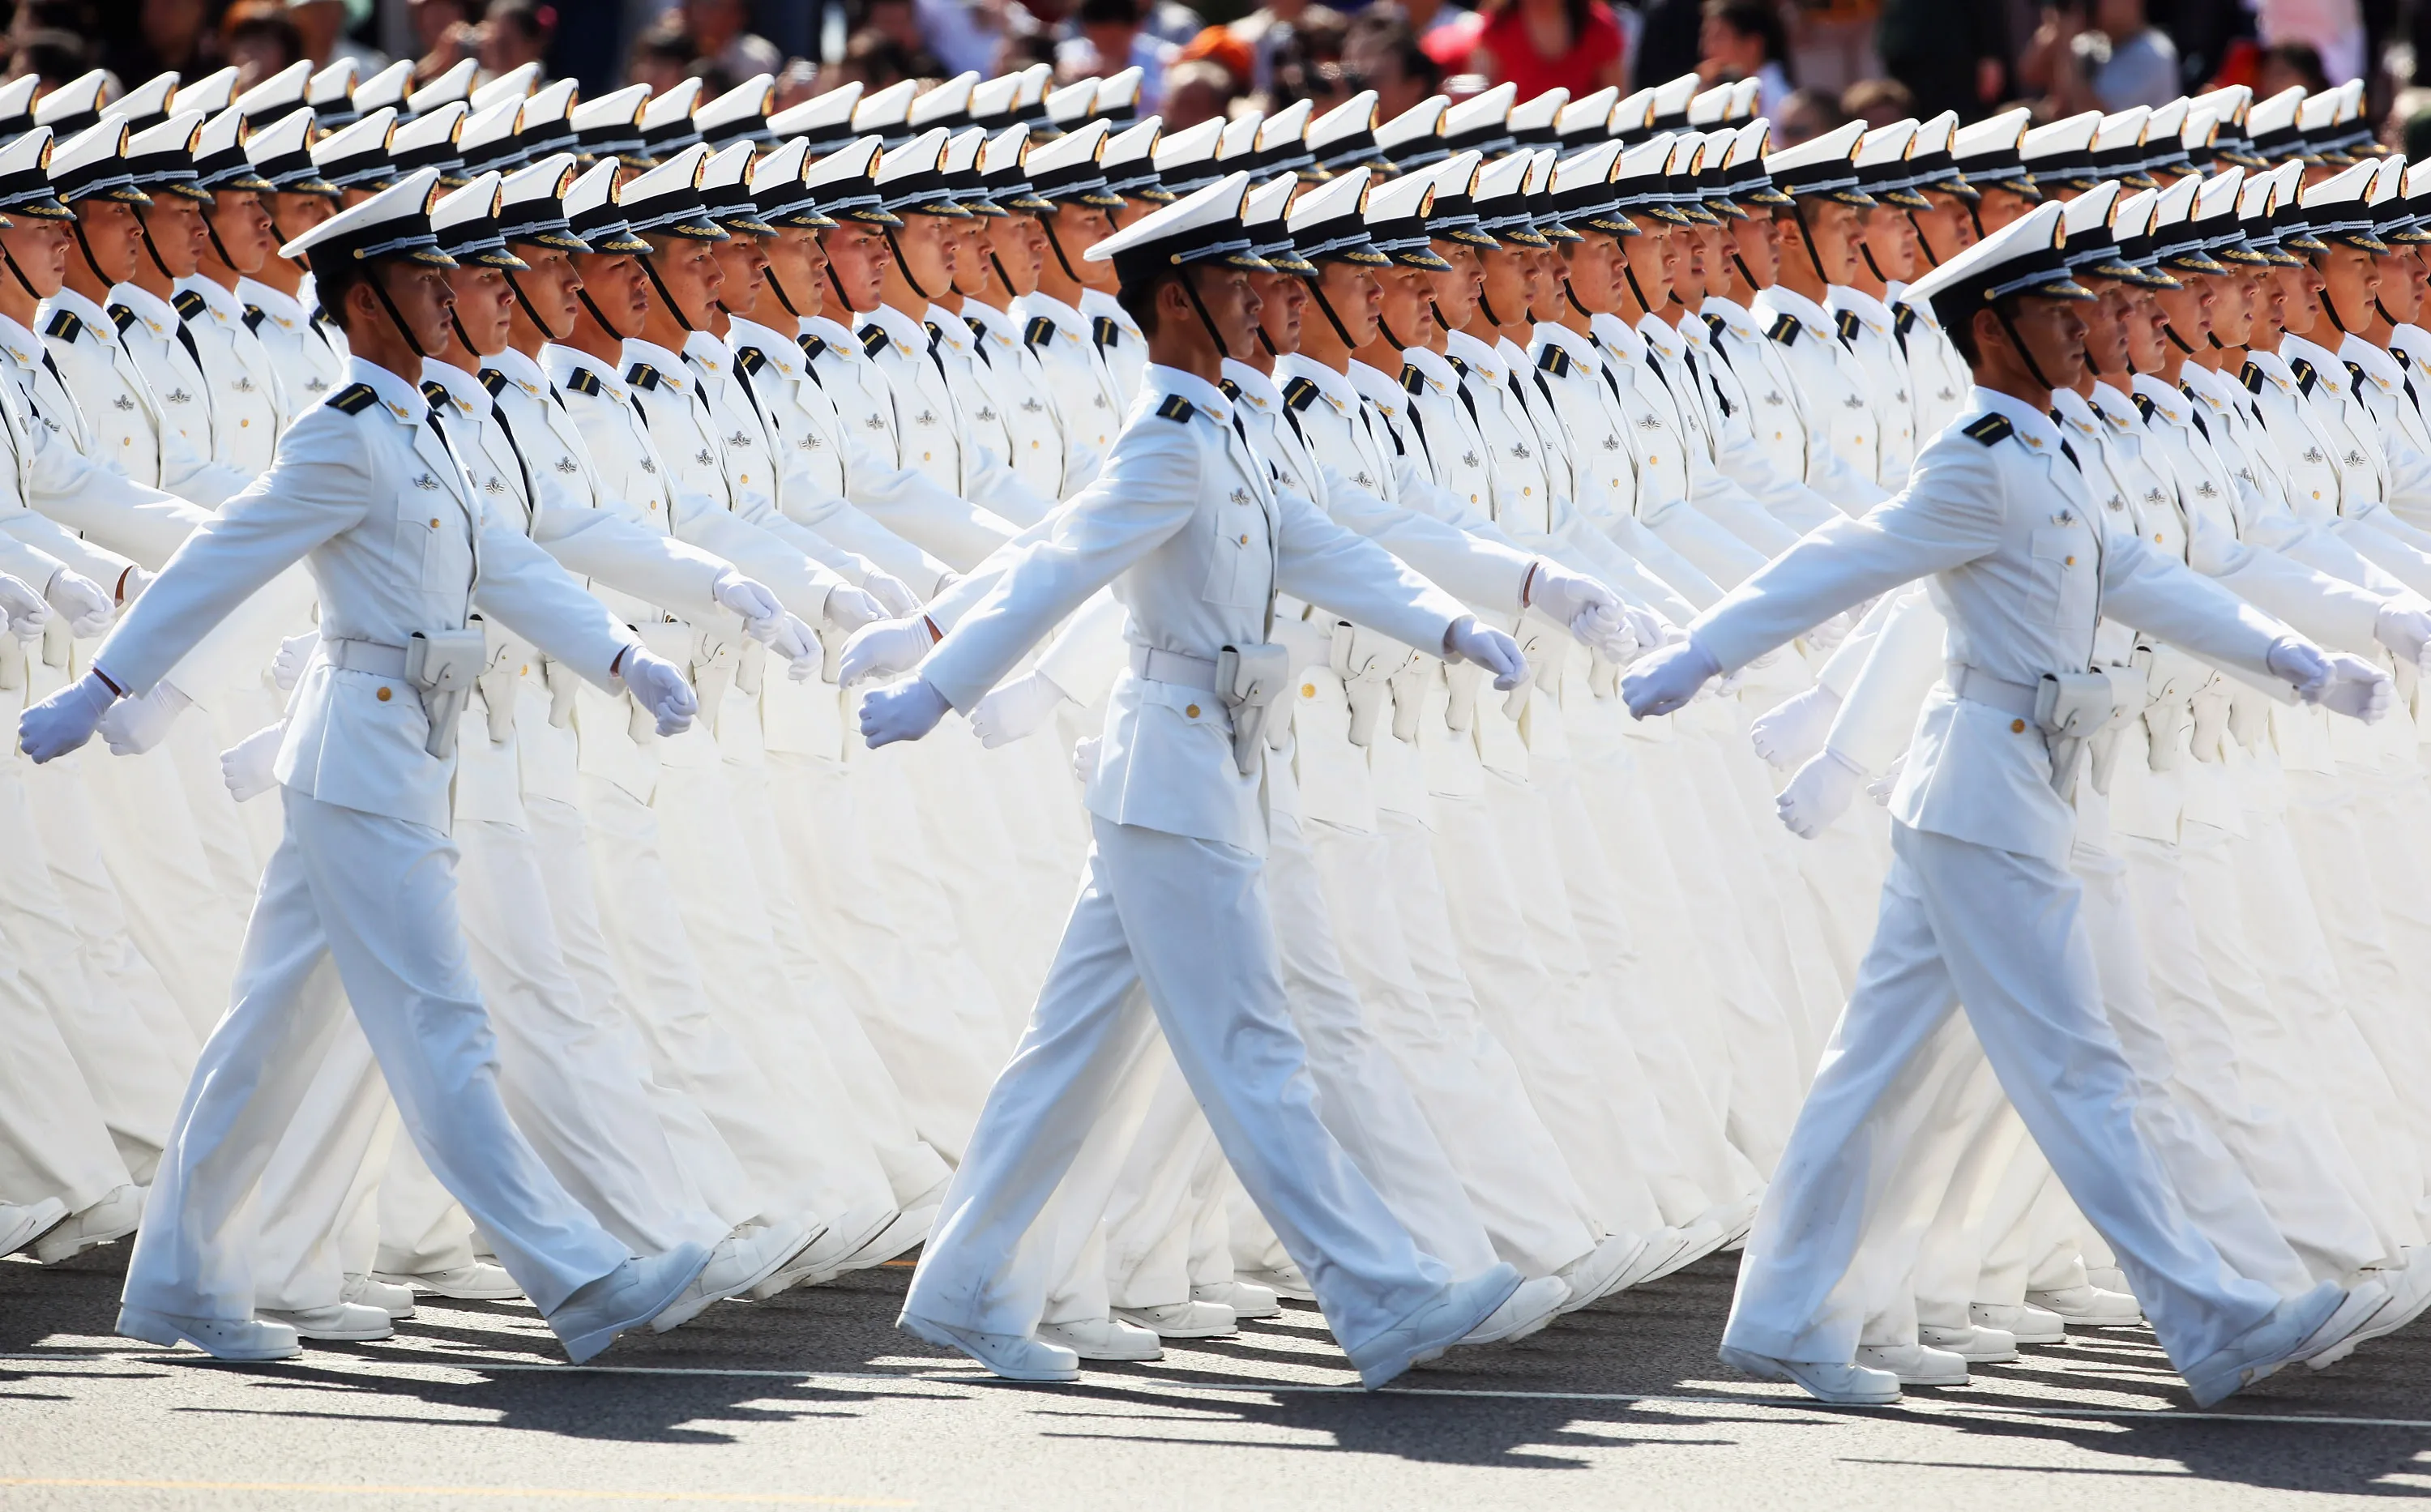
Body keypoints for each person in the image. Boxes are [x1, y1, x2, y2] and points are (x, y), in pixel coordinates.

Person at [1620, 199, 2394, 1407]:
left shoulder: (2045, 450)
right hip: (1987, 789)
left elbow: (2135, 576)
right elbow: (1848, 559)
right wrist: (1700, 654)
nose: (2088, 329)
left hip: (2003, 785)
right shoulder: (1977, 459)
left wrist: (2288, 657)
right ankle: (2215, 1315)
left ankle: (1780, 1314)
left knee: (1871, 1067)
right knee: (2077, 1061)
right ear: (1994, 331)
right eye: (2055, 314)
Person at [855, 170, 1554, 1389]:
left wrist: (1449, 623)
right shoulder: (1169, 442)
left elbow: (1313, 545)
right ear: (1177, 300)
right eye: (1233, 283)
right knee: (1252, 1045)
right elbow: (1057, 567)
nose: (1259, 300)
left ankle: (965, 1283)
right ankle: (1382, 1296)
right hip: (1172, 771)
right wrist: (938, 684)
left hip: (1201, 766)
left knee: (1068, 1051)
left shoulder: (1224, 427)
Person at [15, 167, 711, 1367]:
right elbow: (216, 564)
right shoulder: (338, 437)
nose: (447, 295)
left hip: (395, 752)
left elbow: (500, 560)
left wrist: (623, 652)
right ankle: (581, 1272)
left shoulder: (415, 428)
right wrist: (105, 685)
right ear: (367, 298)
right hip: (362, 758)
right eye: (421, 278)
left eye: (444, 276)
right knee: (444, 1022)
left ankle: (179, 1282)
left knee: (267, 1036)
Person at [1462, 0, 1625, 99]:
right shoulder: (1496, 28)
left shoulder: (1599, 28)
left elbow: (1618, 103)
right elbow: (1479, 102)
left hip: (1582, 148)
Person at [1697, 0, 1792, 116]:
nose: (1707, 48)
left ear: (1753, 44)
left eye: (1719, 37)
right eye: (1706, 36)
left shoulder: (1777, 98)